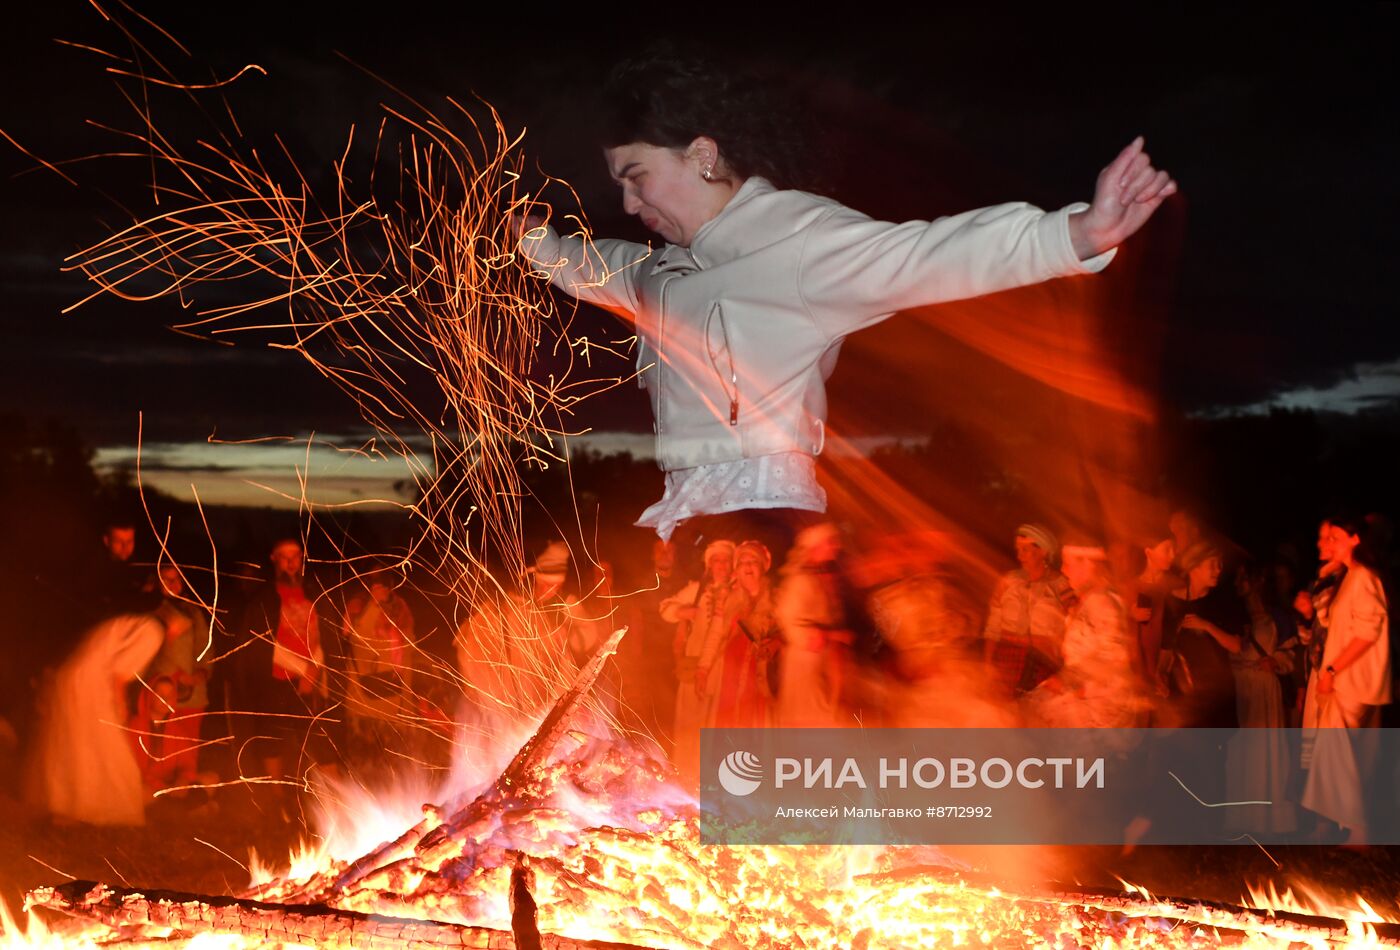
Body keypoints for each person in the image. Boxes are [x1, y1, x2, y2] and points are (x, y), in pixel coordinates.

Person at [518, 51, 1176, 545]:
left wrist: (1078, 233)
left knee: (741, 728)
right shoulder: (660, 272)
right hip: (683, 522)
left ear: (702, 155)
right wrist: (528, 241)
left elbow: (930, 256)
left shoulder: (798, 242)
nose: (629, 204)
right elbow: (592, 264)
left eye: (637, 178)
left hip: (766, 526)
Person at [1301, 514, 1392, 844]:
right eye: (1325, 539)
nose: (1326, 544)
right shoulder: (1351, 577)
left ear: (1354, 539)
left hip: (1353, 680)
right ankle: (1330, 826)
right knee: (1331, 753)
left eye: (1334, 537)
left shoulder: (1365, 577)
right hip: (1343, 678)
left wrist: (1332, 670)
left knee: (1338, 755)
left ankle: (1358, 831)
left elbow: (1367, 633)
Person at [24, 613, 164, 825]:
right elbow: (121, 672)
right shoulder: (154, 630)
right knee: (107, 749)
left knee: (76, 748)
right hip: (90, 685)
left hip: (73, 679)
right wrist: (121, 705)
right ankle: (110, 810)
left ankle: (66, 807)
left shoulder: (124, 623)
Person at [660, 539, 736, 784]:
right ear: (709, 565)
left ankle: (711, 776)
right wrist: (685, 612)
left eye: (725, 560)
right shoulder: (698, 590)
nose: (721, 565)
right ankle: (685, 773)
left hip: (724, 664)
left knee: (714, 720)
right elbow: (666, 609)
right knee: (690, 717)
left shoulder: (737, 592)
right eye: (716, 560)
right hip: (695, 661)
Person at [983, 524, 1074, 695]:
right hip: (1008, 659)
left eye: (1025, 549)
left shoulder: (1061, 585)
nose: (1020, 555)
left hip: (1043, 661)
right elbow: (993, 626)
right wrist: (988, 664)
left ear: (1043, 552)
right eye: (1018, 549)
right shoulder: (1008, 582)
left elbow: (1074, 624)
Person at [697, 540, 777, 728]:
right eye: (742, 562)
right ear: (737, 570)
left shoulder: (776, 600)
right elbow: (715, 635)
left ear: (762, 567)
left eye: (753, 561)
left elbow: (787, 637)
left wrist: (772, 647)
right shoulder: (727, 601)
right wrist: (703, 669)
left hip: (761, 681)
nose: (747, 566)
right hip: (729, 679)